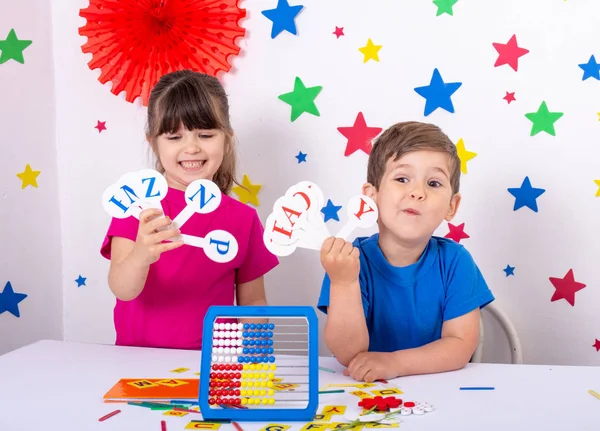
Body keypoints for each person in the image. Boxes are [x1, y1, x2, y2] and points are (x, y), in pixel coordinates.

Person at [100, 70, 278, 350]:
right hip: (136, 362)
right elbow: (122, 289)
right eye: (174, 137)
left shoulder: (243, 219)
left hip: (214, 364)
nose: (191, 147)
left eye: (205, 134)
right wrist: (141, 255)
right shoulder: (136, 207)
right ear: (154, 144)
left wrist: (254, 359)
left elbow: (253, 301)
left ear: (226, 138)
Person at [317, 121, 494, 381]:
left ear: (451, 206)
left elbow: (460, 345)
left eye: (433, 183)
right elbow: (348, 353)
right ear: (371, 195)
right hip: (363, 396)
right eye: (402, 179)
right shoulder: (350, 261)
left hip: (441, 394)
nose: (417, 193)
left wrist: (395, 363)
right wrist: (343, 282)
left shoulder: (456, 261)